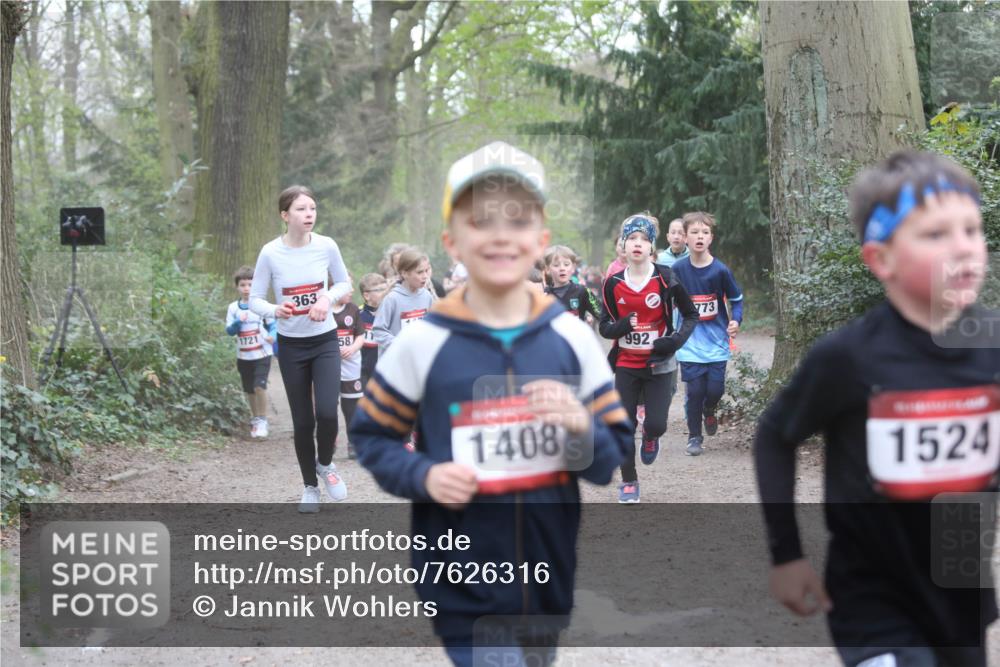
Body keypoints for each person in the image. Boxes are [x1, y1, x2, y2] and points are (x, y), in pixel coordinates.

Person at [350, 141, 631, 667]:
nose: (501, 234)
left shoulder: (571, 339)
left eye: (518, 220)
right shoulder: (422, 342)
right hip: (461, 580)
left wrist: (579, 424)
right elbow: (371, 436)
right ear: (452, 241)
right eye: (481, 220)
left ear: (540, 241)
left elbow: (608, 459)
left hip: (547, 577)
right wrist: (423, 476)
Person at [754, 150, 999, 667]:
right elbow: (775, 435)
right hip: (872, 596)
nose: (964, 249)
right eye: (935, 235)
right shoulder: (848, 357)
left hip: (959, 585)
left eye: (972, 230)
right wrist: (787, 556)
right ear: (880, 259)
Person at [249, 185, 351, 512]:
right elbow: (254, 300)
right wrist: (274, 310)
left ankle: (326, 465)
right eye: (301, 209)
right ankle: (310, 486)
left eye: (312, 208)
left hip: (324, 341)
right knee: (304, 422)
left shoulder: (326, 245)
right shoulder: (270, 253)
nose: (309, 214)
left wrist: (326, 298)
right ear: (285, 215)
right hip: (292, 346)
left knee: (326, 411)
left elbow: (344, 284)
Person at [600, 213, 698, 503]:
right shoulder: (612, 283)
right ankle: (629, 481)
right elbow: (605, 327)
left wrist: (675, 341)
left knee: (656, 424)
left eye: (644, 239)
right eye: (632, 239)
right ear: (623, 246)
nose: (638, 244)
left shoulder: (666, 278)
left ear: (652, 246)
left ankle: (652, 436)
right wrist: (622, 327)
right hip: (626, 364)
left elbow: (691, 315)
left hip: (659, 364)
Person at [671, 211, 744, 456]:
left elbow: (737, 299)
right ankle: (694, 436)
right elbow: (665, 300)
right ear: (686, 238)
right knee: (694, 392)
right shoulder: (678, 269)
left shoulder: (720, 271)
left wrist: (736, 320)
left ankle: (709, 411)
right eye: (694, 232)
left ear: (711, 238)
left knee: (715, 390)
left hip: (716, 343)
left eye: (704, 232)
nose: (699, 236)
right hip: (689, 343)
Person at [225, 265, 276, 439]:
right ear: (237, 287)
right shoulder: (233, 308)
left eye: (250, 285)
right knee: (249, 390)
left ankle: (262, 419)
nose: (247, 289)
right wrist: (238, 322)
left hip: (262, 353)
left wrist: (272, 336)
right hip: (243, 355)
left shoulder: (262, 306)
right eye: (243, 285)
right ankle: (255, 419)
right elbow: (230, 331)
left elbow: (273, 325)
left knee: (259, 386)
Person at [371, 247, 435, 356]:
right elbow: (378, 331)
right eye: (419, 272)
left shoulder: (427, 296)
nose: (425, 276)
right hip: (394, 364)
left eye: (426, 271)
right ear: (404, 273)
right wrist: (401, 346)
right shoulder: (392, 299)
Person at [332, 286, 366, 461]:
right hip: (328, 366)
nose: (351, 291)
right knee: (329, 406)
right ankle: (329, 440)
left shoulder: (353, 309)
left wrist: (352, 348)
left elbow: (360, 335)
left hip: (351, 366)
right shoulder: (322, 309)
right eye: (347, 287)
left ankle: (353, 443)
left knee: (351, 407)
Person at [544, 245, 600, 323]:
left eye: (566, 264)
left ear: (573, 267)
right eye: (556, 265)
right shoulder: (543, 295)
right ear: (547, 269)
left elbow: (602, 315)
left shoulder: (583, 291)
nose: (562, 268)